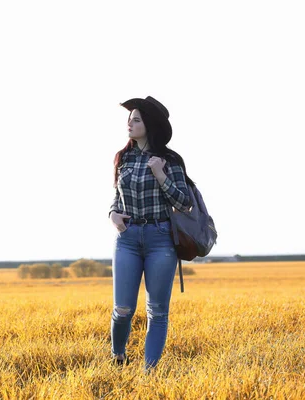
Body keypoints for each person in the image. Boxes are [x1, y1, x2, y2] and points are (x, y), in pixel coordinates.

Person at [108, 96, 194, 370]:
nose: (129, 124)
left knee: (157, 312)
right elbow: (116, 197)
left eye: (136, 120)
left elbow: (184, 202)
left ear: (150, 125)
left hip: (161, 240)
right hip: (128, 239)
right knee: (123, 309)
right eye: (129, 120)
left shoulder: (169, 160)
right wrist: (112, 214)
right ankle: (118, 355)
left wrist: (161, 175)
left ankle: (150, 372)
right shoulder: (123, 157)